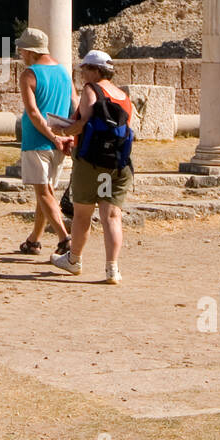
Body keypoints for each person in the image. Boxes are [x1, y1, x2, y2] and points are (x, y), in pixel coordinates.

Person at [50, 49, 133, 282]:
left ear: (95, 71)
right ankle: (112, 269)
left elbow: (84, 123)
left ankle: (74, 260)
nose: (82, 73)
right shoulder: (123, 95)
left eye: (85, 68)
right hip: (116, 164)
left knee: (82, 214)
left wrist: (63, 131)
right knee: (112, 216)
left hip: (90, 162)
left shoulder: (91, 90)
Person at [15, 27, 77, 257]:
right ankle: (34, 240)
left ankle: (64, 238)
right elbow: (75, 104)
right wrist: (69, 135)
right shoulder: (63, 72)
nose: (20, 55)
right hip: (60, 142)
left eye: (22, 50)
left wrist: (52, 136)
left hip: (37, 141)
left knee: (43, 193)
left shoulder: (29, 74)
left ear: (30, 51)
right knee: (47, 192)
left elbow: (32, 112)